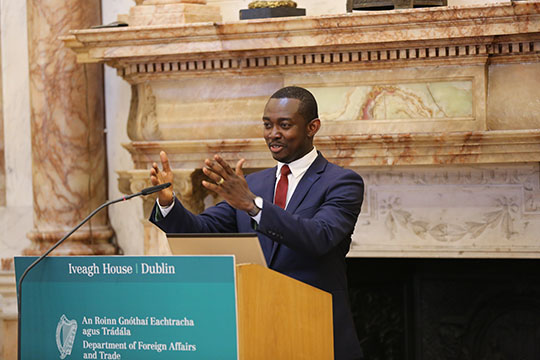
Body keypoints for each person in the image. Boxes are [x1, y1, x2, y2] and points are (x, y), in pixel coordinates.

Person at [149, 86, 364, 359]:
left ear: (313, 127)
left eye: (284, 125)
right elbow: (202, 230)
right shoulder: (253, 184)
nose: (273, 134)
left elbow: (319, 237)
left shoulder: (342, 182)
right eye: (267, 124)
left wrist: (253, 205)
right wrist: (168, 203)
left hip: (316, 330)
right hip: (257, 330)